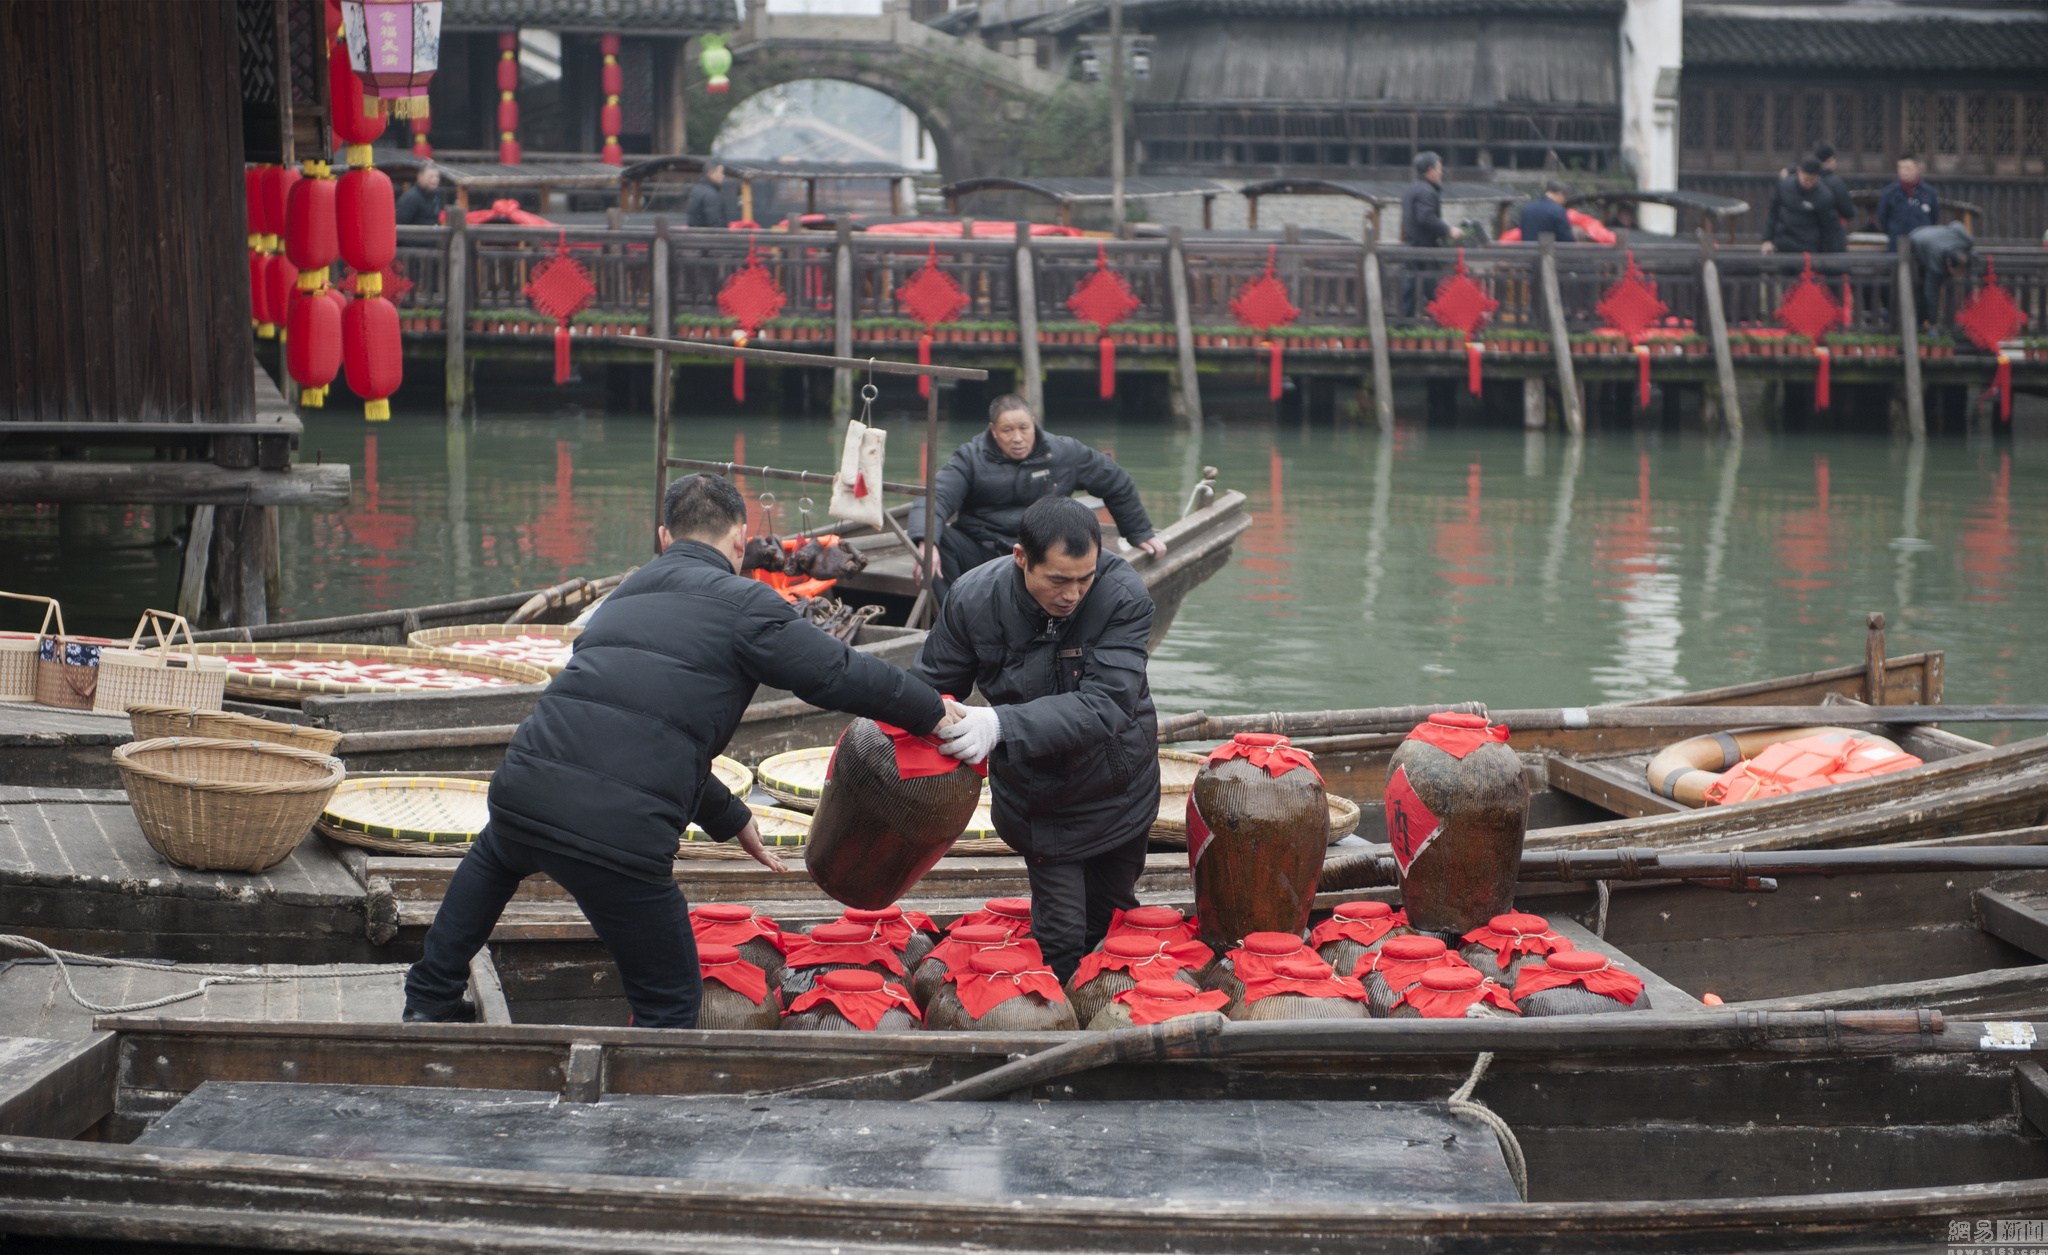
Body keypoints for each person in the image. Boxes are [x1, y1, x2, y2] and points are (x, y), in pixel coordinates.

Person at [403, 474, 960, 1027]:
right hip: (619, 834)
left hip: (525, 788)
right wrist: (932, 710)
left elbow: (640, 734)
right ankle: (654, 1100)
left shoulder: (623, 596)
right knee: (670, 1004)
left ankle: (427, 1003)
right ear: (742, 540)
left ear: (664, 537)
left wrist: (732, 815)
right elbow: (838, 673)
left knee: (498, 856)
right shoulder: (749, 603)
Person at [918, 497, 1161, 984]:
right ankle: (1060, 1023)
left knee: (1114, 920)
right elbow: (932, 689)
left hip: (1118, 782)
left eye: (1084, 578)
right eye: (1058, 580)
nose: (1072, 594)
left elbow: (1104, 705)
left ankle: (1107, 1009)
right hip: (1039, 794)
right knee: (1062, 935)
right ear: (1020, 558)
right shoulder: (972, 598)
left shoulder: (1123, 595)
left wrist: (998, 725)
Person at [907, 395, 1164, 599]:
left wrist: (1140, 533)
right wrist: (926, 542)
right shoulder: (970, 458)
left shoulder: (1064, 452)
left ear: (1034, 423)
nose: (1017, 438)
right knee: (941, 542)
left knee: (1089, 552)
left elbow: (1115, 481)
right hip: (984, 548)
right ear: (993, 431)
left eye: (1023, 428)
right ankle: (954, 619)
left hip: (1042, 551)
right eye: (1008, 430)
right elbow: (937, 496)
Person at [1400, 152, 1461, 315]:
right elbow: (1426, 217)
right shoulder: (1427, 191)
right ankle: (1447, 327)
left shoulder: (1412, 189)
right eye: (1439, 168)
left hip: (1412, 247)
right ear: (1429, 170)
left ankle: (1404, 329)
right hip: (1424, 249)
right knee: (1435, 289)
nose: (1441, 172)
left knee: (1411, 290)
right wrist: (1448, 230)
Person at [1762, 159, 1844, 255]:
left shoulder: (1824, 196)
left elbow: (1828, 227)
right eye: (1806, 179)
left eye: (1812, 180)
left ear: (1818, 177)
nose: (1808, 183)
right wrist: (1767, 239)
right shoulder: (1784, 187)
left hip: (1809, 246)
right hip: (1784, 241)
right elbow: (1773, 213)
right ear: (1799, 173)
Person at [1908, 222, 1973, 328]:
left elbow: (1956, 225)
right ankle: (1923, 322)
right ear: (1949, 265)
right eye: (1957, 272)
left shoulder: (1967, 242)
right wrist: (1933, 322)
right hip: (1916, 239)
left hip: (1932, 232)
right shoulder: (1935, 263)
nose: (1960, 275)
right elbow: (1931, 293)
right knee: (1923, 289)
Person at [1878, 155, 1939, 252]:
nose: (1903, 171)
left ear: (1917, 169)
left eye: (1907, 168)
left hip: (1922, 242)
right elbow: (1883, 216)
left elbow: (1934, 216)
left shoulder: (1928, 192)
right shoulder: (1890, 192)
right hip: (1897, 242)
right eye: (1901, 168)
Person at [1812, 144, 1856, 236]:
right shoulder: (1835, 182)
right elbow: (1847, 211)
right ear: (1829, 160)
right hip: (1832, 232)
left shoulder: (1809, 180)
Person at [1517, 180, 1575, 244]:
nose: (1564, 202)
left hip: (1527, 251)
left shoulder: (1528, 208)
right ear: (1560, 194)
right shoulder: (1557, 211)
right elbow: (1566, 239)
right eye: (1565, 198)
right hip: (1549, 252)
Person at [684, 162, 735, 229]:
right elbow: (716, 224)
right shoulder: (711, 195)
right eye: (721, 172)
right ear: (711, 173)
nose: (723, 176)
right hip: (709, 238)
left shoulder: (696, 190)